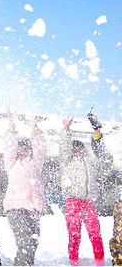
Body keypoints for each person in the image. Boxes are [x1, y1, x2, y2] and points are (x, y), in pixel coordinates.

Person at [3, 109, 47, 266]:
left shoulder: (36, 164)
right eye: (21, 148)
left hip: (34, 208)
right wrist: (11, 126)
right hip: (15, 208)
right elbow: (9, 146)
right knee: (26, 243)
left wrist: (35, 128)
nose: (24, 150)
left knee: (32, 243)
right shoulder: (12, 163)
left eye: (26, 148)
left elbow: (40, 148)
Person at [60, 116, 105, 266]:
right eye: (75, 148)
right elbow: (65, 147)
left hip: (89, 202)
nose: (78, 150)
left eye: (80, 147)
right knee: (74, 235)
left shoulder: (91, 162)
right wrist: (66, 129)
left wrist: (97, 132)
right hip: (73, 201)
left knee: (95, 234)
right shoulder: (67, 160)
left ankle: (100, 262)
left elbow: (100, 152)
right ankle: (74, 262)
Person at [88, 110, 122, 266]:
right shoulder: (112, 155)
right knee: (119, 237)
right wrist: (97, 129)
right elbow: (99, 149)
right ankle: (118, 262)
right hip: (120, 200)